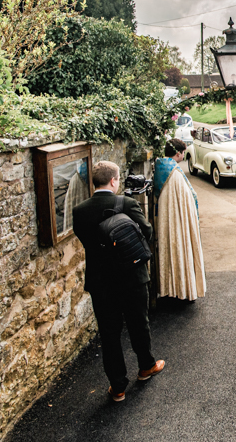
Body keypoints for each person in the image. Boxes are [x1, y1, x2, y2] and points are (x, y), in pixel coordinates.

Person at [72, 161, 164, 402]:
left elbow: (85, 240)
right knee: (138, 323)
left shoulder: (79, 211)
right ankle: (146, 367)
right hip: (132, 276)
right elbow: (147, 231)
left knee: (109, 334)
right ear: (113, 181)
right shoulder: (126, 204)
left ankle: (118, 387)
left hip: (101, 282)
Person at [154, 139, 206, 300]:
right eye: (183, 153)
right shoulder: (173, 174)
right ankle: (181, 289)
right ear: (178, 153)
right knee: (179, 247)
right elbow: (185, 199)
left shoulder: (162, 167)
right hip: (178, 221)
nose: (183, 156)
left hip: (169, 218)